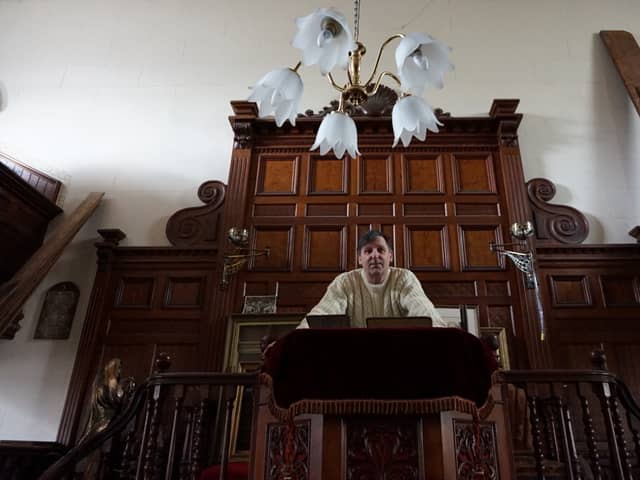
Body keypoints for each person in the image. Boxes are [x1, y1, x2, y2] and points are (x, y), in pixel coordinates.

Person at [298, 230, 457, 328]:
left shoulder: (404, 278)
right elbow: (323, 313)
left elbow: (424, 311)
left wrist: (441, 331)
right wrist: (298, 336)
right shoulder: (345, 282)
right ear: (360, 259)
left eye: (381, 250)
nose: (375, 255)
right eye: (368, 251)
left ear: (390, 256)